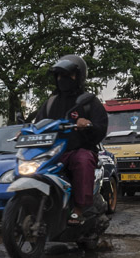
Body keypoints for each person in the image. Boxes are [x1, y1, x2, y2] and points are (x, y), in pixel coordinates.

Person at [26, 54, 109, 224]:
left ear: (78, 76)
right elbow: (38, 124)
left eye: (67, 75)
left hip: (78, 150)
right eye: (59, 75)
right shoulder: (50, 102)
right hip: (53, 152)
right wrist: (26, 131)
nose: (62, 79)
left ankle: (80, 208)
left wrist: (88, 124)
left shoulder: (88, 102)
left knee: (82, 160)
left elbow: (101, 127)